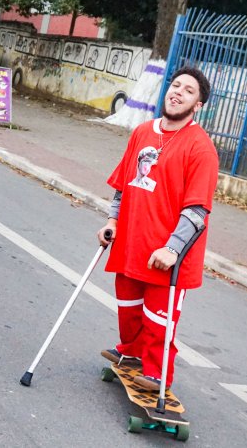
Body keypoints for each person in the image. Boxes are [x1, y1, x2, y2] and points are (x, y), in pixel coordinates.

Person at [96, 66, 219, 391]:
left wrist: (172, 249)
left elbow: (197, 211)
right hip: (131, 243)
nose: (177, 92)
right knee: (129, 309)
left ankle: (157, 371)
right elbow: (124, 183)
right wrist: (112, 220)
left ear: (198, 104)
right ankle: (132, 353)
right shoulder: (142, 132)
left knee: (158, 319)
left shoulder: (200, 148)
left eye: (188, 90)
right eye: (175, 85)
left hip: (165, 253)